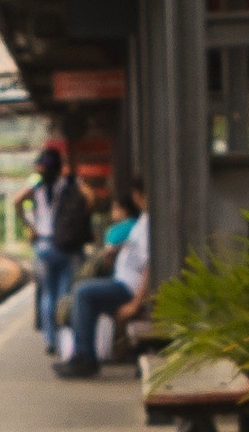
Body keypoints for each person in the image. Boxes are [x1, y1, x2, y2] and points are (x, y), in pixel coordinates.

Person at [56, 176, 151, 378]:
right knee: (84, 291)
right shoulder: (143, 220)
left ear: (139, 195)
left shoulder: (148, 223)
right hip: (124, 283)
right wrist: (118, 253)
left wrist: (135, 304)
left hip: (129, 288)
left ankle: (85, 357)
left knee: (84, 292)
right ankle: (81, 355)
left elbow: (149, 266)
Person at [14, 145, 89, 355]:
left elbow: (17, 201)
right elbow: (90, 198)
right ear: (60, 167)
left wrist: (31, 227)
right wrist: (81, 220)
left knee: (48, 294)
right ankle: (66, 338)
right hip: (66, 246)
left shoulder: (36, 188)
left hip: (43, 246)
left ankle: (50, 339)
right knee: (65, 293)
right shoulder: (69, 184)